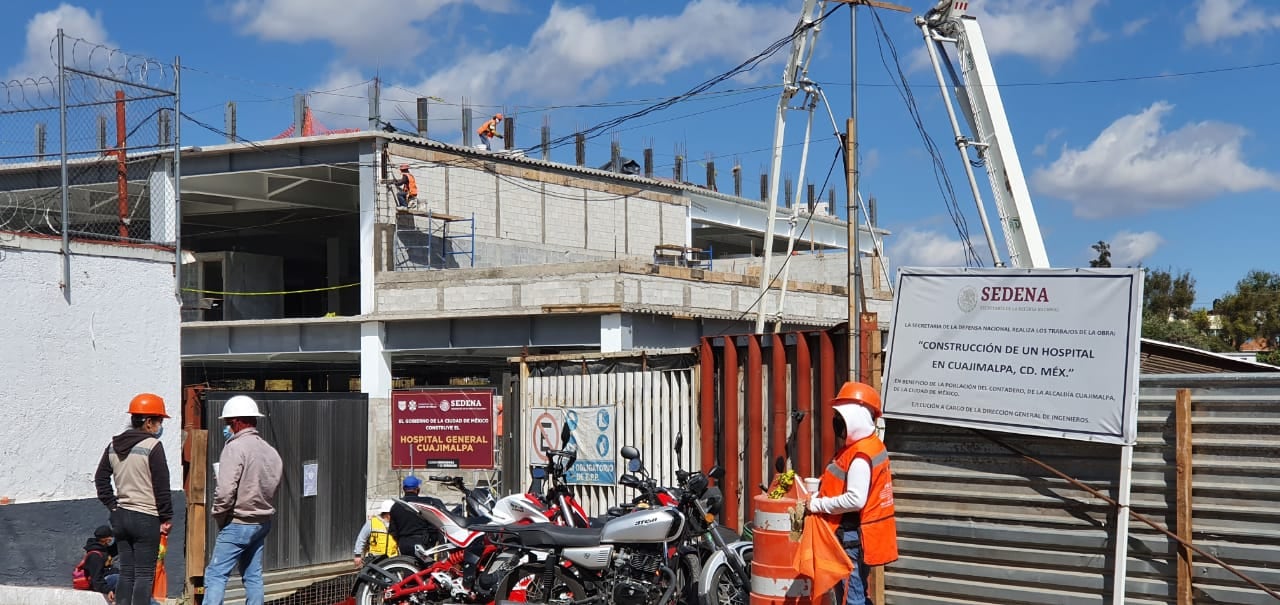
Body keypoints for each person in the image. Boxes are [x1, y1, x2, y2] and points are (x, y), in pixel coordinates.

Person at [805, 382, 899, 605]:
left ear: (856, 417)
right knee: (857, 592)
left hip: (851, 536)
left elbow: (855, 499)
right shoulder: (869, 446)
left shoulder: (861, 455)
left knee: (851, 597)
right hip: (858, 534)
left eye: (841, 416)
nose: (836, 422)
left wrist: (818, 505)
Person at [202, 395, 284, 605]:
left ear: (237, 421)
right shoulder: (270, 450)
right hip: (262, 522)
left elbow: (225, 491)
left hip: (238, 522)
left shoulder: (234, 447)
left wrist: (219, 515)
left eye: (228, 424)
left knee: (216, 574)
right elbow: (272, 484)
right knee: (252, 574)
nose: (227, 428)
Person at [94, 393, 173, 605]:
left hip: (121, 517)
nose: (160, 426)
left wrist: (112, 506)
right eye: (159, 421)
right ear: (148, 422)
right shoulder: (152, 446)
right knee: (144, 575)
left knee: (127, 572)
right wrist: (166, 517)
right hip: (146, 517)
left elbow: (100, 479)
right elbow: (161, 486)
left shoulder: (112, 446)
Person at [386, 475, 446, 560]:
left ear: (404, 489)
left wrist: (401, 540)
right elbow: (435, 525)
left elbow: (393, 531)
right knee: (426, 569)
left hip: (404, 544)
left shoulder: (396, 506)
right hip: (423, 543)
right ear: (417, 489)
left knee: (409, 569)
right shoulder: (426, 503)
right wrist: (432, 540)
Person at [352, 499, 400, 567]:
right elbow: (361, 538)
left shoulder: (397, 524)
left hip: (392, 560)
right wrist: (357, 555)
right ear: (388, 513)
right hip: (374, 560)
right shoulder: (372, 523)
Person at [78, 525, 120, 600]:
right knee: (122, 579)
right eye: (110, 537)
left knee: (128, 577)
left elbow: (114, 550)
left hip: (108, 577)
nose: (111, 539)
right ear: (106, 539)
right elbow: (96, 579)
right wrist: (107, 590)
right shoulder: (95, 556)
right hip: (102, 582)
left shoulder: (103, 549)